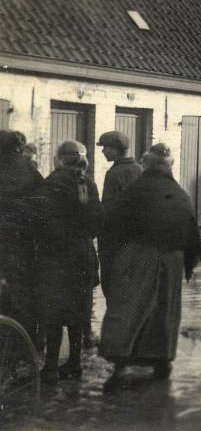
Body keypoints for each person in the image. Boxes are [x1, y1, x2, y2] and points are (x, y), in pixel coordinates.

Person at [99, 143, 201, 386]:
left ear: (147, 165)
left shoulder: (135, 191)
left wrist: (112, 260)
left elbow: (113, 226)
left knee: (129, 307)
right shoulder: (179, 193)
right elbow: (191, 233)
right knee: (163, 311)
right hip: (171, 260)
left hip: (136, 256)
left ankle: (121, 364)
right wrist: (188, 262)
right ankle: (161, 361)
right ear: (169, 166)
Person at [35, 140, 103, 383]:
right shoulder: (88, 184)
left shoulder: (51, 183)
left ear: (60, 159)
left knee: (53, 314)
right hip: (83, 255)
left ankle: (51, 368)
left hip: (56, 257)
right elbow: (97, 222)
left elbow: (41, 223)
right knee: (77, 313)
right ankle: (74, 363)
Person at [95, 131, 142, 348]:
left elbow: (109, 209)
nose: (103, 151)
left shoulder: (114, 174)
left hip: (114, 241)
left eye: (105, 147)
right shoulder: (139, 170)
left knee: (111, 288)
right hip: (136, 241)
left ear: (116, 149)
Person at [0, 131, 44, 348]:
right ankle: (25, 340)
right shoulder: (30, 169)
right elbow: (42, 203)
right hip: (23, 239)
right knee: (24, 288)